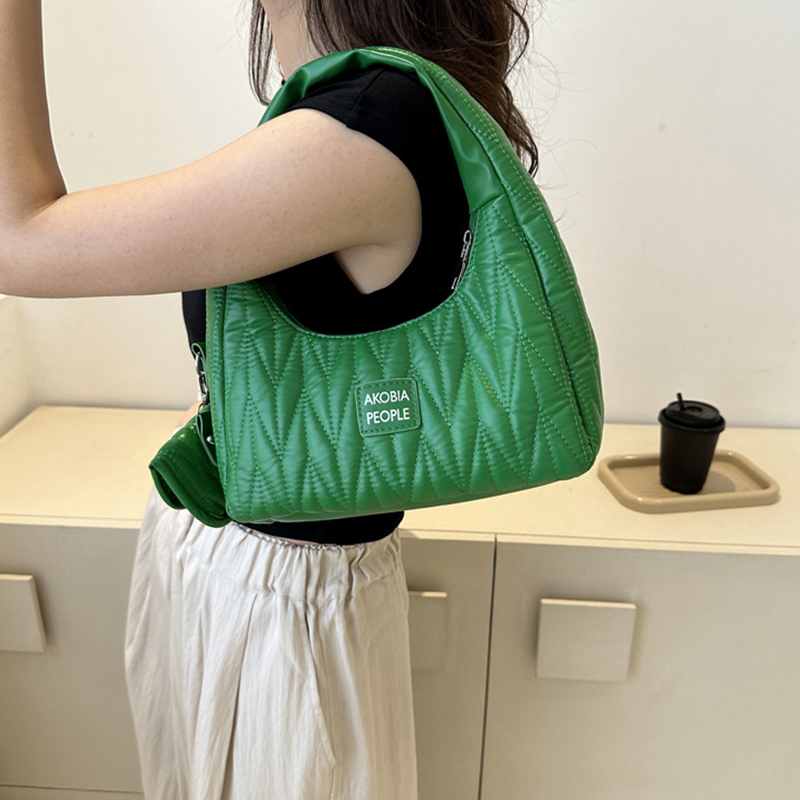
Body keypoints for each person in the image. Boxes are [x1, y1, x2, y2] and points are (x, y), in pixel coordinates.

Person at [0, 0, 538, 797]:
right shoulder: (352, 107)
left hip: (280, 604)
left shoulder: (370, 124)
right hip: (237, 559)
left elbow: (17, 239)